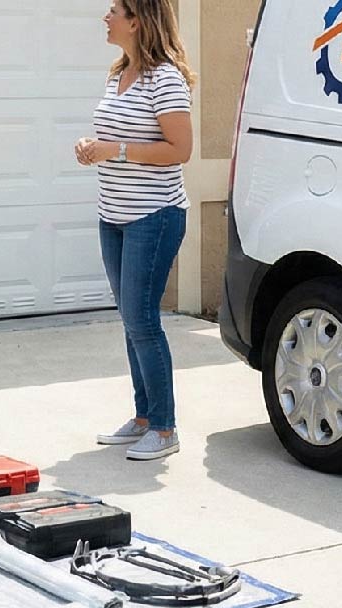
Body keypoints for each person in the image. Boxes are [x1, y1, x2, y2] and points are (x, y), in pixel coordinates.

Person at [75, 0, 195, 461]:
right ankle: (144, 417)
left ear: (138, 19)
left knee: (143, 320)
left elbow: (179, 149)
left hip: (156, 216)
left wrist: (115, 150)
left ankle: (165, 429)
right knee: (131, 319)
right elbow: (114, 137)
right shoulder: (118, 73)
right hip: (115, 215)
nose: (106, 17)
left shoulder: (165, 79)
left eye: (115, 10)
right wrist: (91, 147)